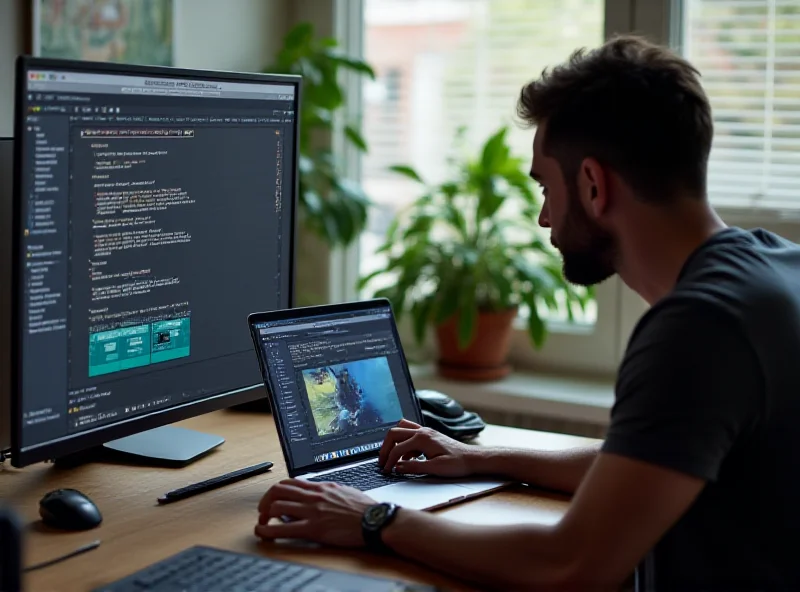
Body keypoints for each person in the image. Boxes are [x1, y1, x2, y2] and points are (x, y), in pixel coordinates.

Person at [255, 34, 800, 591]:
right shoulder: (772, 270)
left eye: (545, 186)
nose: (544, 219)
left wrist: (372, 518)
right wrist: (479, 457)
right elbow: (641, 464)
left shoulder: (702, 327)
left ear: (593, 184)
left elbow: (570, 565)